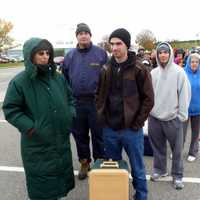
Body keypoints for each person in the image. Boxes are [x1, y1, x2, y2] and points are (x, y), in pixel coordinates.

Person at [2, 38, 75, 200]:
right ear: (30, 55)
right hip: (37, 144)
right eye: (40, 53)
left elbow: (70, 99)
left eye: (48, 53)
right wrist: (31, 127)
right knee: (42, 189)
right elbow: (11, 109)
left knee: (59, 185)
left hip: (60, 141)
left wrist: (70, 114)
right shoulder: (20, 82)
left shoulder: (58, 78)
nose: (45, 56)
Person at [96, 28, 154, 200]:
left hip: (132, 130)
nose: (114, 48)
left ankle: (141, 196)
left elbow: (148, 99)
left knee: (137, 167)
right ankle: (116, 195)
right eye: (112, 44)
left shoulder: (139, 69)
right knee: (113, 169)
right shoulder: (106, 68)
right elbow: (98, 94)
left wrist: (137, 123)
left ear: (127, 45)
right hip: (110, 130)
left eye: (118, 43)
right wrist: (102, 116)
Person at [62, 23, 107, 180]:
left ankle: (99, 162)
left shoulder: (101, 54)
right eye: (80, 33)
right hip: (77, 103)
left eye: (86, 33)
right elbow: (64, 80)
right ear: (77, 36)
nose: (83, 35)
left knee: (98, 135)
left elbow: (107, 79)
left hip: (96, 103)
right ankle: (84, 162)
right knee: (80, 135)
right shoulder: (69, 56)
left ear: (90, 35)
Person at [148, 42, 191, 190]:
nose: (163, 55)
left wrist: (182, 116)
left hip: (173, 118)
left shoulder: (179, 72)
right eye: (160, 53)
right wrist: (149, 113)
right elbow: (148, 95)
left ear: (170, 53)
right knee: (158, 147)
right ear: (157, 55)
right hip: (155, 118)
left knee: (177, 150)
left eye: (165, 52)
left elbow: (185, 95)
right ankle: (160, 170)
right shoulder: (153, 73)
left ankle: (177, 176)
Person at [183, 53, 200, 162]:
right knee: (181, 133)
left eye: (196, 62)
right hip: (184, 108)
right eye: (192, 62)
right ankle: (177, 151)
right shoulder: (183, 73)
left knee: (195, 133)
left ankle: (193, 151)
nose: (194, 64)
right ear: (189, 63)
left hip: (198, 110)